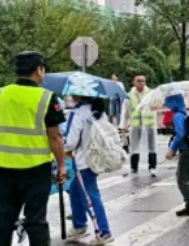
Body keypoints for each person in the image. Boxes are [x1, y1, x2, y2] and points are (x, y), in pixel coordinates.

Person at [0, 51, 67, 246]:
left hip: (3, 168)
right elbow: (55, 136)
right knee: (35, 219)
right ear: (39, 70)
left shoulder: (2, 93)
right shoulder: (46, 97)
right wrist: (62, 166)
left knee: (3, 218)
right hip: (36, 170)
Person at [64, 96, 114, 244]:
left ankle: (104, 232)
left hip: (83, 161)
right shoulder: (99, 111)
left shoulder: (77, 113)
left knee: (90, 197)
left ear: (78, 95)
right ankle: (79, 224)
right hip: (97, 158)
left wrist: (63, 148)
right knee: (75, 190)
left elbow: (70, 142)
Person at [120, 74, 158, 177]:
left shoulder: (151, 94)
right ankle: (134, 167)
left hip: (149, 124)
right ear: (134, 82)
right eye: (139, 81)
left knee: (152, 146)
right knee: (134, 146)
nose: (141, 83)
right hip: (136, 124)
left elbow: (157, 107)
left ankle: (152, 167)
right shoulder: (128, 96)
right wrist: (123, 127)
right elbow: (125, 113)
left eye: (143, 81)